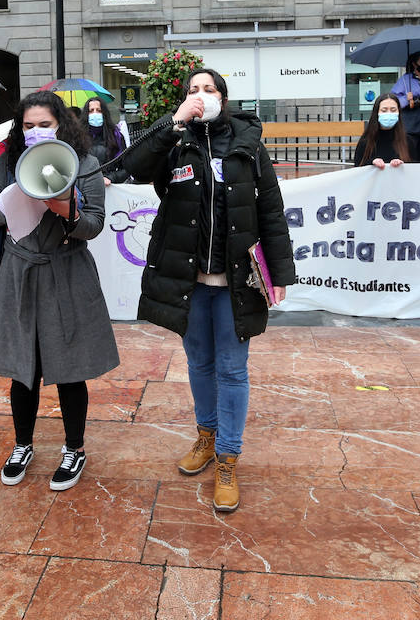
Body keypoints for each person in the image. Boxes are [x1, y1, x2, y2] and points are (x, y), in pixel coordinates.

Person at [123, 68, 296, 513]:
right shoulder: (176, 140)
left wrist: (279, 275)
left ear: (224, 96)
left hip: (236, 281)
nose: (202, 96)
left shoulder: (247, 144)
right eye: (194, 90)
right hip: (190, 281)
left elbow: (271, 213)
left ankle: (228, 458)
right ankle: (206, 435)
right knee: (199, 363)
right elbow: (134, 167)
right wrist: (173, 123)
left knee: (233, 370)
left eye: (209, 89)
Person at [0, 91, 118, 493]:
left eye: (45, 124)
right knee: (25, 368)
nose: (36, 132)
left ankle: (74, 448)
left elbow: (93, 224)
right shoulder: (10, 163)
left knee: (69, 366)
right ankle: (23, 444)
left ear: (61, 125)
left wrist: (64, 207)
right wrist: (17, 198)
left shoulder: (84, 164)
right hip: (20, 274)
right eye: (29, 126)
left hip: (67, 273)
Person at [352, 93, 411, 169]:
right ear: (377, 113)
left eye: (393, 110)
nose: (389, 113)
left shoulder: (408, 141)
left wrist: (401, 164)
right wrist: (372, 162)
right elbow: (358, 168)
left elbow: (414, 170)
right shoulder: (366, 142)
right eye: (384, 110)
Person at [84, 96, 128, 185]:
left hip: (110, 187)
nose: (95, 113)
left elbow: (126, 169)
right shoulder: (78, 137)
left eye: (99, 110)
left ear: (104, 113)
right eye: (91, 110)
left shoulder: (116, 136)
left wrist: (111, 178)